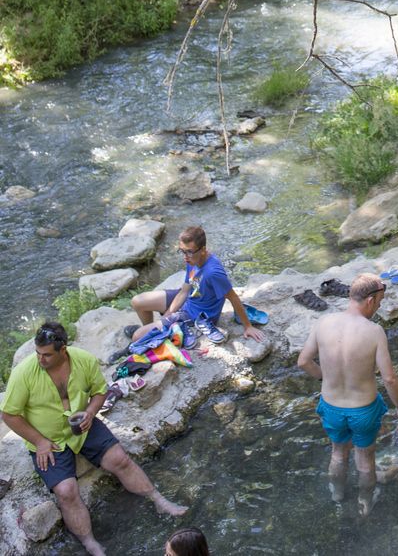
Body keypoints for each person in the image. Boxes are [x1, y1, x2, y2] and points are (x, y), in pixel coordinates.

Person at [2, 322, 186, 556]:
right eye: (38, 353)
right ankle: (90, 543)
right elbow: (8, 414)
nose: (41, 359)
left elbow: (100, 391)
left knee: (120, 459)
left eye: (47, 355)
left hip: (82, 424)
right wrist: (39, 442)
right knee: (66, 491)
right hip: (47, 439)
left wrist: (90, 413)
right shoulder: (24, 373)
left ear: (63, 350)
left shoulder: (83, 360)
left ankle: (159, 500)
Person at [297, 272, 398, 516]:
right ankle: (364, 501)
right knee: (365, 460)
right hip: (363, 409)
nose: (378, 307)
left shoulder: (323, 323)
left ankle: (337, 494)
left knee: (338, 453)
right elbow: (389, 378)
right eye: (379, 302)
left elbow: (303, 361)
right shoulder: (374, 331)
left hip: (332, 405)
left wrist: (324, 377)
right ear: (370, 300)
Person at [130, 225, 263, 344]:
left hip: (197, 314)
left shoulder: (213, 273)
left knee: (136, 336)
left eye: (189, 251)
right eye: (182, 251)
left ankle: (148, 334)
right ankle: (152, 332)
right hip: (190, 297)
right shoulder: (193, 259)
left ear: (203, 250)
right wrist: (168, 315)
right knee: (137, 302)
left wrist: (248, 326)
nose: (185, 256)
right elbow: (184, 291)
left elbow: (233, 298)